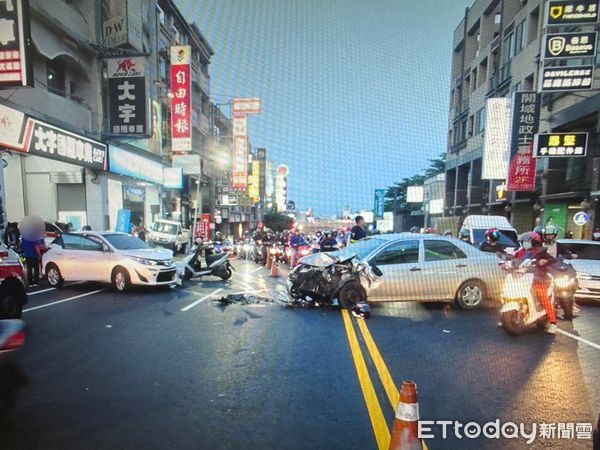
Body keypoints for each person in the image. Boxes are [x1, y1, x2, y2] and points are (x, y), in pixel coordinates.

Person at [514, 231, 557, 334]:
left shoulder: (541, 251)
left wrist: (545, 261)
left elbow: (552, 260)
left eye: (528, 241)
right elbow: (513, 259)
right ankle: (505, 317)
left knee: (543, 297)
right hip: (524, 278)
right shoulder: (521, 252)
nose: (525, 243)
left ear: (535, 242)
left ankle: (553, 323)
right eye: (524, 241)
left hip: (540, 278)